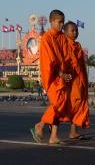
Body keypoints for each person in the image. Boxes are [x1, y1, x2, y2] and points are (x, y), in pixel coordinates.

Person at [30, 10, 72, 146]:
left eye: (62, 22)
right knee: (57, 104)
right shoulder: (47, 37)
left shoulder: (63, 37)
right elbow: (50, 61)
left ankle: (53, 136)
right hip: (54, 77)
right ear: (51, 22)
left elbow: (66, 58)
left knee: (61, 105)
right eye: (59, 22)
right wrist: (61, 74)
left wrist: (68, 74)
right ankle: (40, 125)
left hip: (63, 77)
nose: (61, 25)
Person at [63, 21, 90, 140]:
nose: (75, 33)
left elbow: (80, 64)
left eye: (76, 30)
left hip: (79, 80)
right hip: (70, 80)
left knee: (78, 105)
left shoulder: (77, 45)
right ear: (66, 32)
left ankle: (73, 132)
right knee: (69, 105)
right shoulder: (64, 45)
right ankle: (46, 125)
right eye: (72, 30)